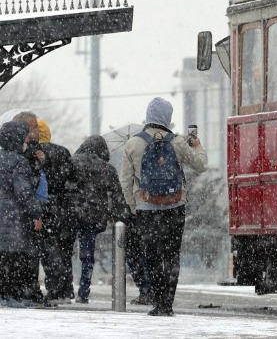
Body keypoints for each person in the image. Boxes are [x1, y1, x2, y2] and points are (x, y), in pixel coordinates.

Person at [119, 97, 208, 316]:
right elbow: (201, 165)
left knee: (151, 256)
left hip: (146, 208)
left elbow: (125, 181)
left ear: (148, 115)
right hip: (174, 206)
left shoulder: (133, 143)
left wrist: (133, 206)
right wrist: (197, 146)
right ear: (167, 117)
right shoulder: (177, 142)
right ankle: (167, 303)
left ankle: (157, 302)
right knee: (171, 255)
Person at [70, 135, 131, 304]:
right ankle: (83, 291)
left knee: (65, 252)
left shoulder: (72, 162)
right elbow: (118, 196)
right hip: (93, 216)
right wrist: (120, 216)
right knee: (87, 256)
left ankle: (65, 287)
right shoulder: (107, 169)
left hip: (71, 214)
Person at [0, 121, 43, 307]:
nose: (27, 139)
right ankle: (9, 296)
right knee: (13, 258)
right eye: (24, 136)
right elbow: (23, 192)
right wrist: (36, 213)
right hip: (12, 217)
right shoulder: (18, 161)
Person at [34, 119, 77, 304]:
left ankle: (55, 290)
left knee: (48, 252)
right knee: (65, 251)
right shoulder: (63, 151)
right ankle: (67, 289)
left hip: (46, 208)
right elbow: (73, 178)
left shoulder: (35, 153)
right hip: (65, 209)